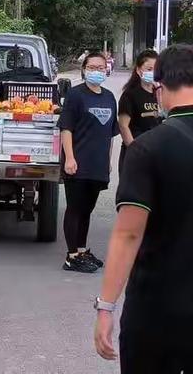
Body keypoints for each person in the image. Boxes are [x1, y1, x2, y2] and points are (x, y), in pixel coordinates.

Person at [95, 44, 193, 373]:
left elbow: (128, 234)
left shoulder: (148, 149)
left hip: (157, 310)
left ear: (161, 88)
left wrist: (105, 307)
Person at [57, 52, 119, 273]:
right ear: (84, 69)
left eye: (101, 68)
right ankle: (71, 256)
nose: (97, 71)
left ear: (106, 70)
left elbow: (111, 133)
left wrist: (108, 161)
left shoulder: (109, 97)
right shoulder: (76, 95)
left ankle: (82, 250)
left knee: (87, 210)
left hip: (98, 164)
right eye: (92, 67)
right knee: (75, 208)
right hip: (78, 162)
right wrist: (70, 158)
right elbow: (66, 128)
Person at [118, 49, 160, 173]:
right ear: (138, 70)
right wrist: (134, 151)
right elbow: (123, 126)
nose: (153, 72)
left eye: (156, 69)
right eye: (149, 69)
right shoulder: (130, 95)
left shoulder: (161, 93)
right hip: (136, 153)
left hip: (156, 153)